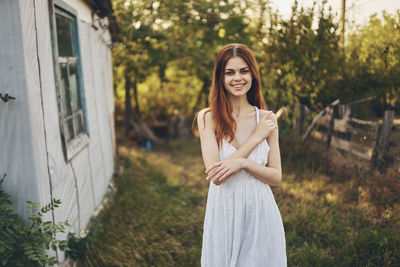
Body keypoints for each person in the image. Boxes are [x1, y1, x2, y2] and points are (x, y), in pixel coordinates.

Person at [197, 43, 287, 266]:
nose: (238, 78)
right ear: (221, 77)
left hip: (260, 212)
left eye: (244, 71)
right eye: (230, 72)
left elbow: (275, 176)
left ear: (253, 75)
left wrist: (244, 164)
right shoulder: (208, 118)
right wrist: (256, 139)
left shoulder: (266, 119)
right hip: (224, 210)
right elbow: (216, 176)